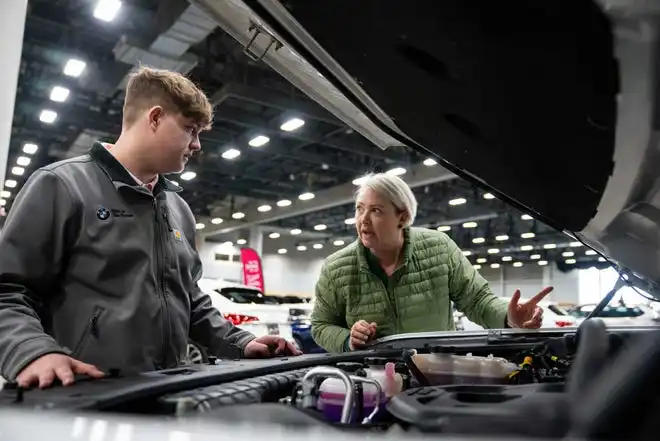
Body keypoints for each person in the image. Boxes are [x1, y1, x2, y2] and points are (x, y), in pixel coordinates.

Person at [0, 66, 300, 389]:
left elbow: (190, 300)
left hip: (163, 391)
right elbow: (7, 291)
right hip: (80, 398)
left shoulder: (179, 210)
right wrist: (33, 352)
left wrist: (240, 342)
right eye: (190, 129)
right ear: (154, 118)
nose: (197, 145)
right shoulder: (61, 186)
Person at [311, 173, 553, 353]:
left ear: (402, 217)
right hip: (371, 379)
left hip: (435, 374)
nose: (362, 220)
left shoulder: (439, 248)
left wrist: (509, 318)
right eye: (359, 209)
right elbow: (321, 325)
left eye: (375, 210)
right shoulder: (336, 268)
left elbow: (477, 301)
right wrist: (348, 341)